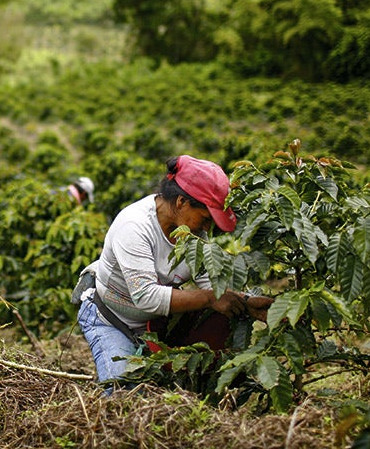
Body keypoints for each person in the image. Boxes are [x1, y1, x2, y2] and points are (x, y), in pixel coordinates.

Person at [74, 155, 274, 390]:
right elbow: (146, 296)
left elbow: (209, 283)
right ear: (181, 202)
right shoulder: (134, 227)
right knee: (122, 394)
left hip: (156, 325)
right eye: (205, 218)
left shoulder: (192, 232)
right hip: (110, 319)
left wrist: (246, 302)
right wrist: (212, 298)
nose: (207, 228)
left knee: (196, 369)